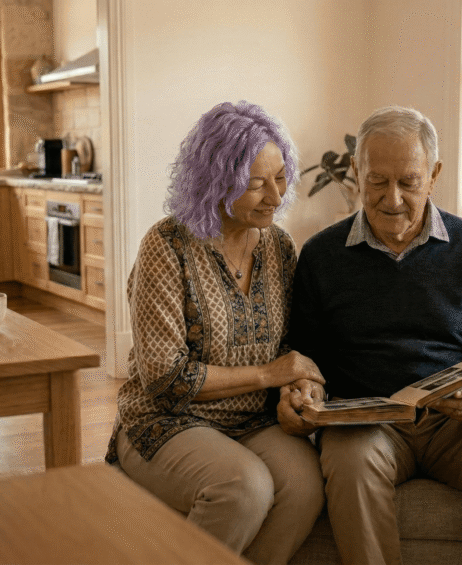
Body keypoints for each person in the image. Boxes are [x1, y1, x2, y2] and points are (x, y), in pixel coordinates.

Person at [278, 105, 462, 565]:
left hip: (459, 425)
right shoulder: (322, 255)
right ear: (357, 174)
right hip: (365, 423)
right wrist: (301, 391)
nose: (393, 198)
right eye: (377, 181)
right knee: (350, 460)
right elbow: (302, 355)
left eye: (409, 181)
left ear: (434, 174)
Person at [105, 101, 326, 564]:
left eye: (281, 177)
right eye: (254, 183)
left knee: (306, 487)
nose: (274, 196)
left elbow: (291, 346)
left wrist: (299, 386)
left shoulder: (280, 246)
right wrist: (268, 375)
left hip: (252, 421)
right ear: (215, 181)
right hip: (166, 420)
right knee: (243, 488)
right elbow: (166, 378)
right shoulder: (166, 247)